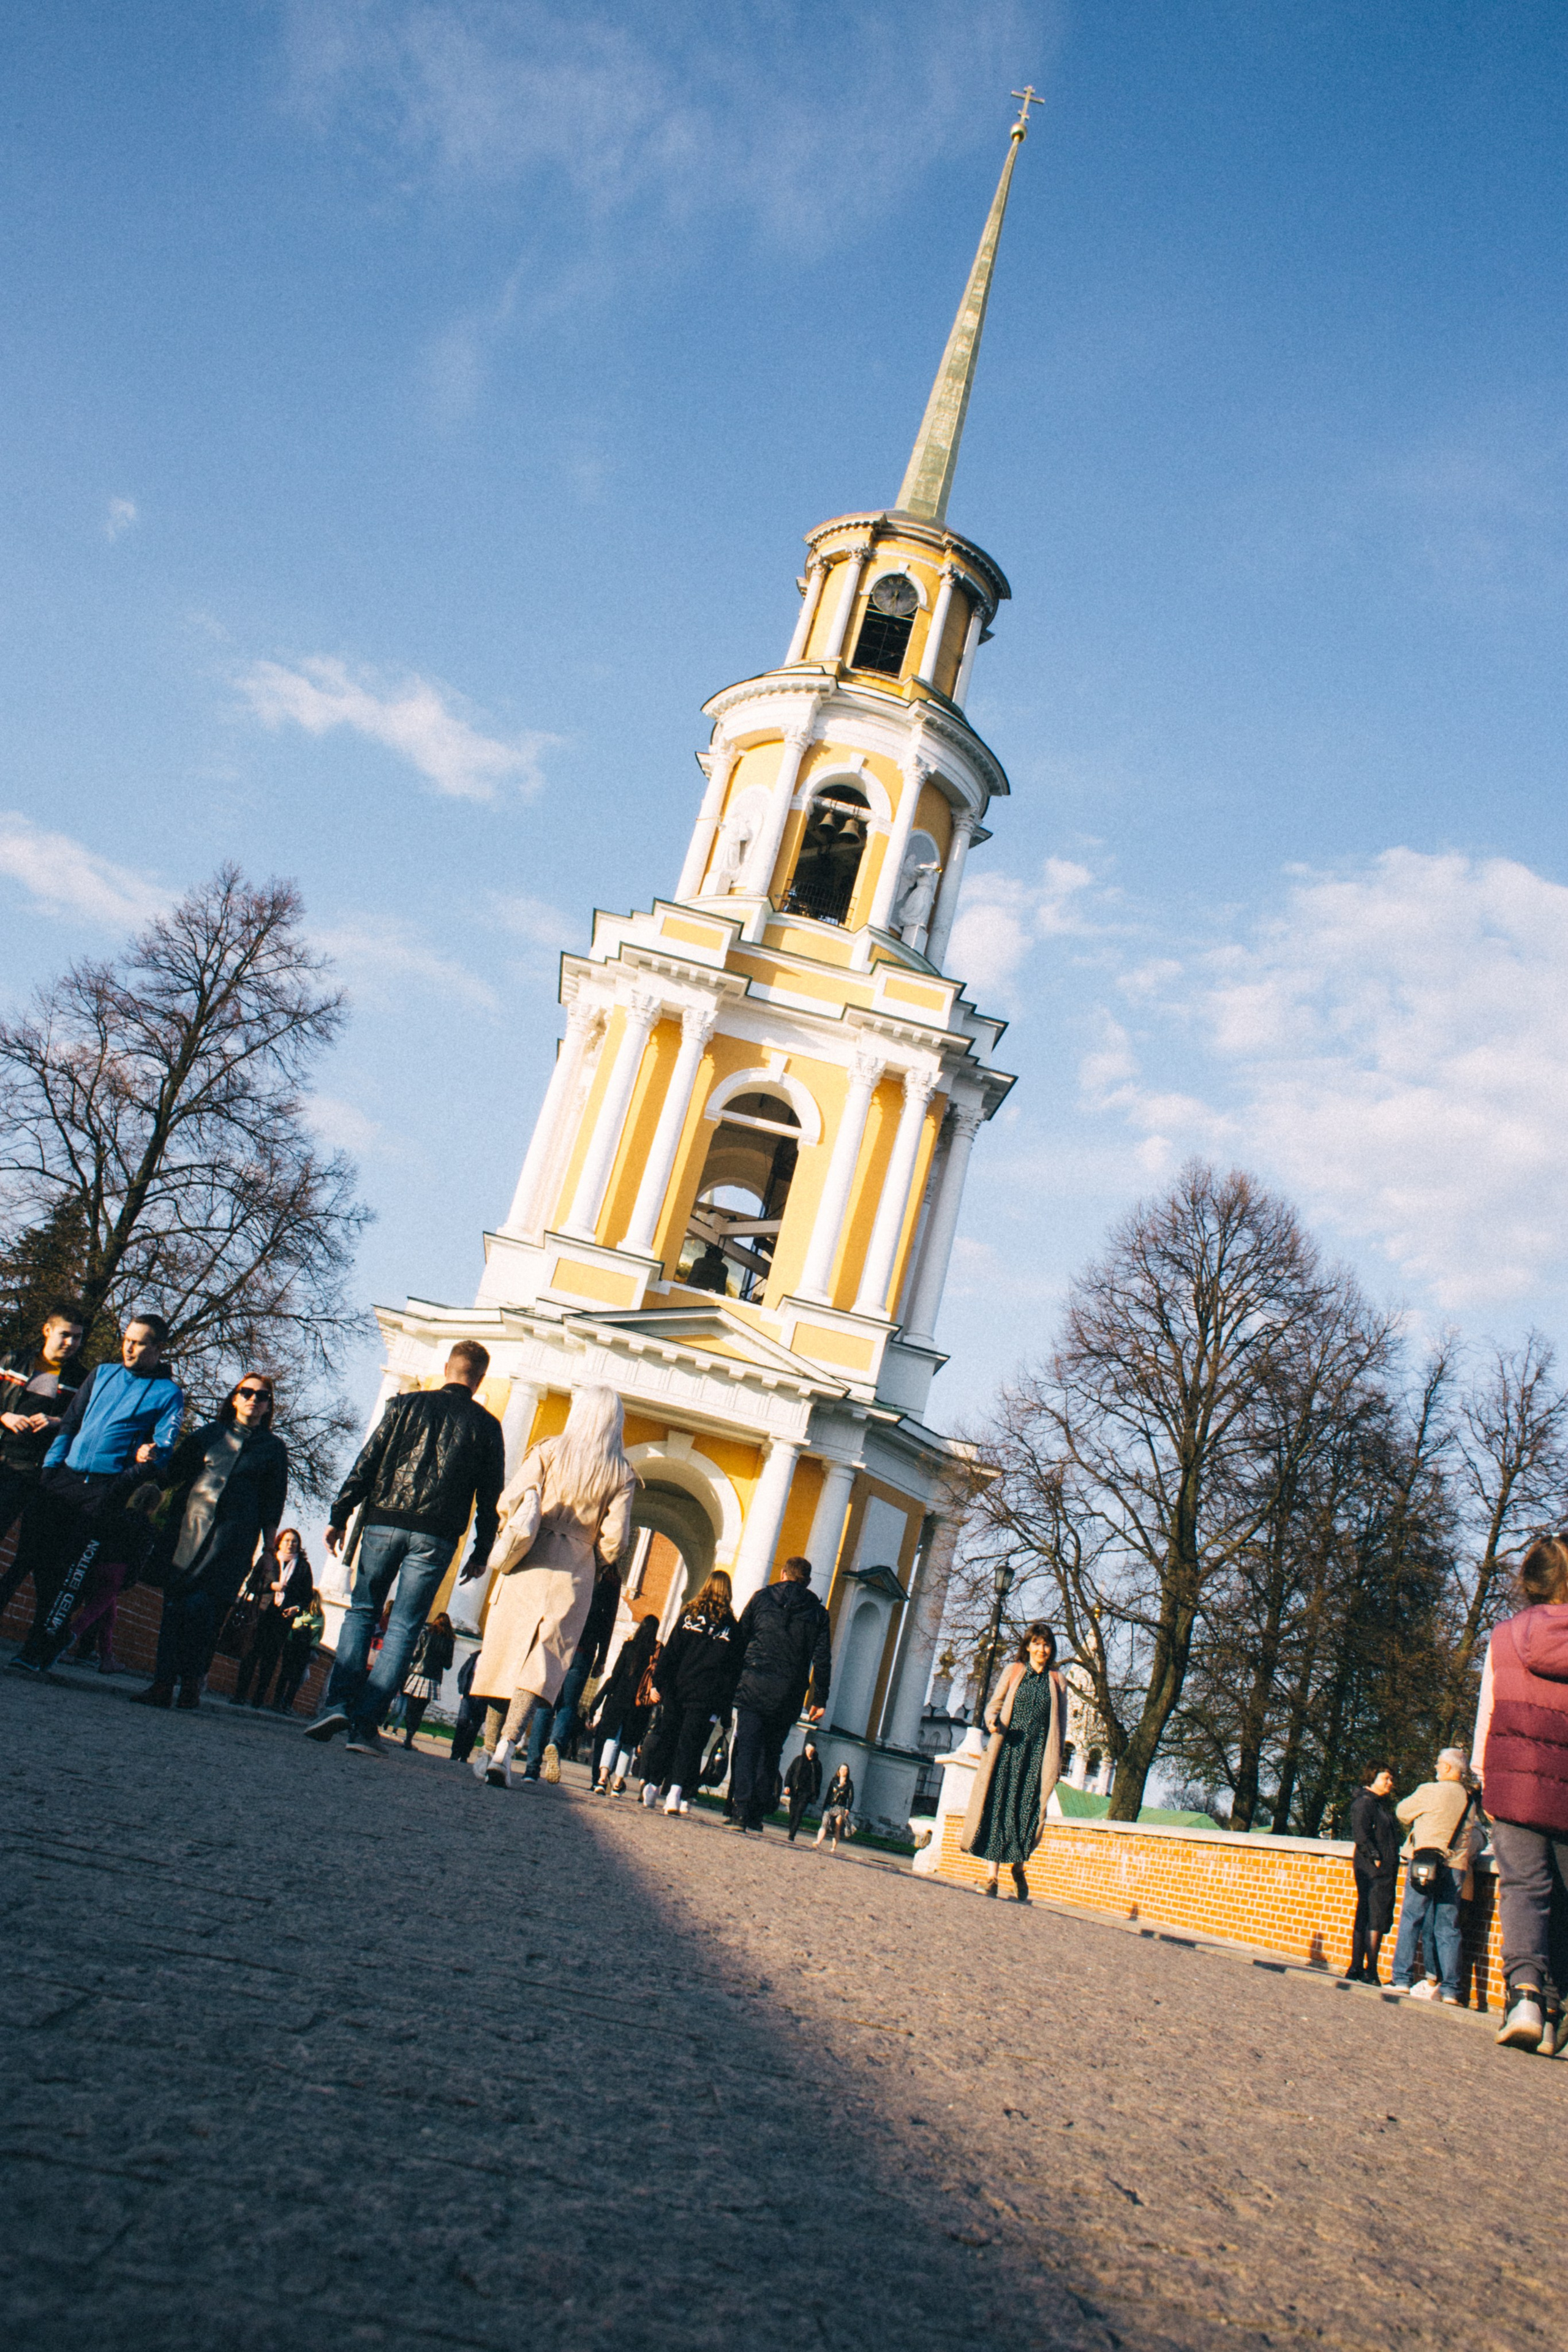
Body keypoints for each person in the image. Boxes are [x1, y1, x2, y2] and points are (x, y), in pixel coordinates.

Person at [306, 1342, 504, 1757]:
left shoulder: (403, 1406)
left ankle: (338, 1704)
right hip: (437, 1533)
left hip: (383, 1519)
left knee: (363, 1611)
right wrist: (483, 1550)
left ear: (447, 1367)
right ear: (480, 1378)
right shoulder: (487, 1427)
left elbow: (368, 1461)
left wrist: (339, 1513)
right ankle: (364, 1726)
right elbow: (490, 1498)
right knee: (404, 1628)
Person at [464, 1384, 635, 1790]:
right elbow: (616, 1541)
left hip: (530, 1558)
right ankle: (508, 1751)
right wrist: (591, 1550)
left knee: (507, 1653)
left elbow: (509, 1500)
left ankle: (488, 1749)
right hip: (575, 1572)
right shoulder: (621, 1472)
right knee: (543, 1663)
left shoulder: (549, 1450)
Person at [9, 1315, 184, 1678]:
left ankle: (39, 1646)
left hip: (105, 1491)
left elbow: (163, 1451)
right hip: (61, 1479)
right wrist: (51, 1469)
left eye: (140, 1343)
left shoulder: (168, 1394)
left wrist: (129, 1476)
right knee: (32, 1559)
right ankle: (44, 1639)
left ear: (159, 1348)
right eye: (127, 1340)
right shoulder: (102, 1373)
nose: (130, 1348)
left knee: (67, 1574)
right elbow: (71, 1422)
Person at [135, 1373, 289, 1708]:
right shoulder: (207, 1435)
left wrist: (268, 1551)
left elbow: (272, 1504)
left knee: (206, 1613)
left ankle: (191, 1683)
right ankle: (162, 1684)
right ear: (234, 1398)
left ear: (268, 1406)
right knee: (175, 1607)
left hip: (233, 1539)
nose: (253, 1399)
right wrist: (147, 1456)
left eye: (261, 1396)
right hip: (187, 1530)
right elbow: (172, 1474)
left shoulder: (273, 1449)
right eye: (246, 1393)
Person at [1472, 1532, 1568, 2054]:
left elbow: (1488, 1709)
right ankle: (1554, 2014)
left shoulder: (1505, 1635)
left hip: (1515, 1777)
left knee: (1524, 1889)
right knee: (1565, 1899)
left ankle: (1526, 1996)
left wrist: (1484, 1775)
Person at [960, 1621, 1068, 1901]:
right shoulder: (1014, 1671)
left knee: (1030, 1815)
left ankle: (1019, 1867)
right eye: (1036, 1644)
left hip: (1037, 1758)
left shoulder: (1057, 1680)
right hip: (1008, 1752)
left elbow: (1061, 1724)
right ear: (1028, 1646)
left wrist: (1057, 1761)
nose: (1041, 1649)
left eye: (1046, 1645)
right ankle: (992, 1877)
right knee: (998, 1810)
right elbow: (994, 1705)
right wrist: (992, 1722)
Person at [727, 1555, 832, 1836]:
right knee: (772, 1752)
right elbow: (822, 1659)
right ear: (808, 1582)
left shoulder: (761, 1599)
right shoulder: (819, 1614)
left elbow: (740, 1639)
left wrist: (732, 1679)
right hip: (789, 1692)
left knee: (747, 1748)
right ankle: (756, 1814)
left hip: (753, 1684)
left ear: (783, 1574)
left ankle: (741, 1809)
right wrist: (820, 1699)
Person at [0, 1298, 88, 1618]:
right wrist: (5, 1416)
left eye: (77, 1337)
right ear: (47, 1330)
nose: (71, 1343)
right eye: (65, 1334)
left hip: (38, 1474)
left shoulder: (80, 1379)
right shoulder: (15, 1361)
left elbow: (83, 1427)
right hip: (4, 1459)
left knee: (34, 1557)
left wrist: (56, 1422)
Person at [637, 1571, 743, 1815]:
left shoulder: (689, 1614)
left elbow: (671, 1651)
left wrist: (657, 1683)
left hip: (677, 1688)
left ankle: (652, 1787)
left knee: (668, 1736)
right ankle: (675, 1795)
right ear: (727, 1592)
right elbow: (732, 1672)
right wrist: (724, 1707)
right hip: (706, 1695)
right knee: (689, 1745)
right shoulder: (731, 1627)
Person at [1387, 1747, 1476, 2005]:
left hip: (1424, 1862)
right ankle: (1451, 1989)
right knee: (1448, 1927)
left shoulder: (1429, 1790)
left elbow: (1402, 1811)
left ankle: (1401, 1978)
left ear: (1448, 1768)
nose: (1436, 1768)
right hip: (1456, 1866)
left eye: (1438, 1764)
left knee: (1411, 1918)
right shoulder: (1469, 1800)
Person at [523, 1555, 622, 1783]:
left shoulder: (577, 1561)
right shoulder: (612, 1578)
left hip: (558, 1642)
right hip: (585, 1650)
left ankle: (532, 1768)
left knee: (545, 1703)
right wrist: (602, 1658)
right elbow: (609, 1622)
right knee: (569, 1705)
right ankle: (555, 1744)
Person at [232, 1528, 312, 1706]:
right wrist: (271, 1586)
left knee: (270, 1659)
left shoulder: (303, 1567)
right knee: (251, 1654)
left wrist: (297, 1609)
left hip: (282, 1618)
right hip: (261, 1613)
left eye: (294, 1542)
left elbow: (307, 1596)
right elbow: (252, 1584)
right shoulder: (269, 1560)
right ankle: (239, 1695)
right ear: (279, 1542)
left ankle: (258, 1700)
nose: (291, 1545)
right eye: (287, 1541)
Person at [587, 1612, 660, 1796]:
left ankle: (602, 1780)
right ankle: (618, 1783)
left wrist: (600, 1700)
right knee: (628, 1745)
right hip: (639, 1706)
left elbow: (616, 1674)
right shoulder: (656, 1652)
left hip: (619, 1700)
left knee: (612, 1740)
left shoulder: (629, 1647)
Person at [1346, 1766, 1399, 1985]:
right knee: (1375, 1915)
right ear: (1372, 1778)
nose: (1390, 1783)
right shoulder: (1366, 1803)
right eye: (1385, 1778)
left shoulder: (1375, 1803)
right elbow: (1361, 1834)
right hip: (1375, 1869)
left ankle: (1358, 1967)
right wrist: (1376, 1856)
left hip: (1377, 1867)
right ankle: (1370, 1970)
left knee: (1367, 1913)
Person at [396, 1611, 456, 1747]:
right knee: (420, 1711)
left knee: (411, 1708)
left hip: (418, 1674)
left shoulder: (425, 1635)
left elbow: (417, 1655)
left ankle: (408, 1736)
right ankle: (410, 1737)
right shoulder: (449, 1642)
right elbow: (448, 1665)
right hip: (433, 1680)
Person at [271, 1586, 325, 1716]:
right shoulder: (319, 1615)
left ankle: (276, 1702)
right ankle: (287, 1704)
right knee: (296, 1679)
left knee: (284, 1674)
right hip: (305, 1649)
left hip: (291, 1644)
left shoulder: (298, 1611)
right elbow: (319, 1635)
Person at [448, 1645, 484, 1765]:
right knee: (462, 1723)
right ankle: (455, 1753)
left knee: (474, 1728)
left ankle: (465, 1754)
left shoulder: (496, 1660)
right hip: (468, 1695)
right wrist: (462, 1690)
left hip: (483, 1699)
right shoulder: (475, 1657)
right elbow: (463, 1673)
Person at [783, 1738, 821, 1841]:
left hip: (807, 1793)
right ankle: (792, 1829)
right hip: (795, 1791)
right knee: (792, 1813)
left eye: (812, 1751)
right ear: (806, 1749)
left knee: (799, 1812)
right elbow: (790, 1772)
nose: (810, 1752)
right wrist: (787, 1785)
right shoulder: (799, 1760)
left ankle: (792, 1834)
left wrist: (815, 1794)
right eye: (809, 1750)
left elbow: (818, 1781)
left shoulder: (817, 1764)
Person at [815, 1762, 855, 1852]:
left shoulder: (849, 1784)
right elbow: (829, 1794)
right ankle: (818, 1841)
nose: (843, 1771)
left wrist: (848, 1808)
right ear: (838, 1771)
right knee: (824, 1823)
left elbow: (851, 1797)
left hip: (841, 1807)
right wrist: (825, 1806)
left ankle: (833, 1847)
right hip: (831, 1805)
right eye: (842, 1769)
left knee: (837, 1827)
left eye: (845, 1770)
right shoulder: (834, 1781)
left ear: (848, 1772)